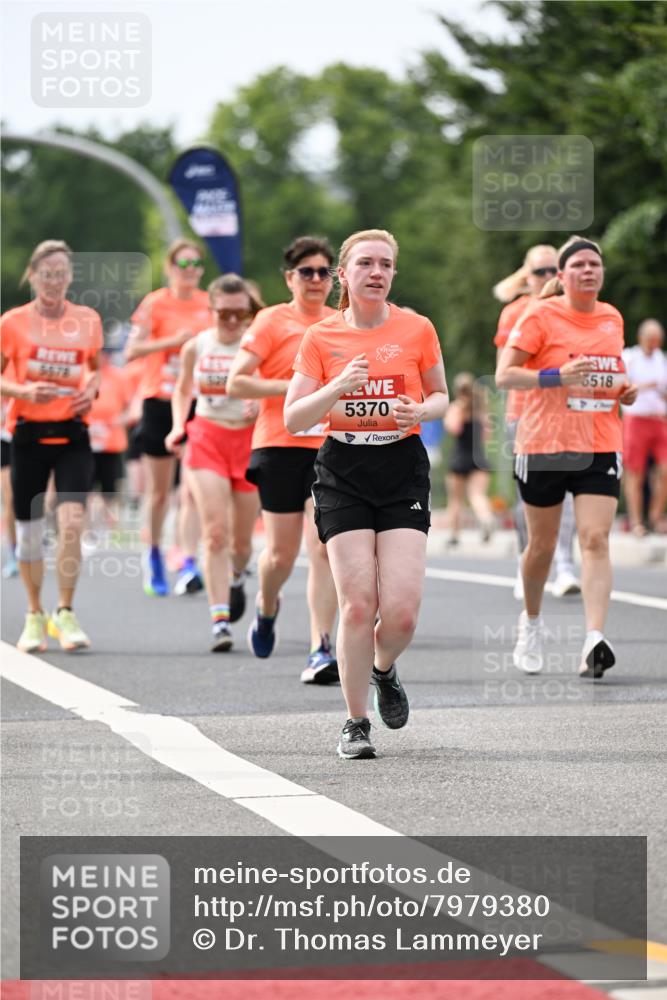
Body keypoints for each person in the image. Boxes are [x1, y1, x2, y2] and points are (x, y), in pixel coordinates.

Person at [285, 228, 448, 759]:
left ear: (393, 273)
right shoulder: (321, 338)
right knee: (359, 604)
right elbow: (294, 416)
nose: (375, 272)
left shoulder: (418, 328)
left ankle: (383, 670)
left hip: (401, 465)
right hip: (344, 468)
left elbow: (441, 395)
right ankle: (355, 722)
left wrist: (420, 411)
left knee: (400, 612)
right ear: (344, 275)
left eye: (385, 264)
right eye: (365, 264)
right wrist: (337, 387)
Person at [496, 236, 638, 679]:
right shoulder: (539, 315)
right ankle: (532, 623)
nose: (588, 270)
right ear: (562, 276)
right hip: (544, 444)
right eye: (578, 265)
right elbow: (505, 375)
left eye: (595, 264)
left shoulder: (612, 317)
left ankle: (594, 638)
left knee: (595, 539)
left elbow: (608, 374)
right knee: (540, 546)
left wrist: (623, 391)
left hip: (598, 440)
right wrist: (557, 375)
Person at [226, 236, 339, 683]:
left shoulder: (341, 324)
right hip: (278, 443)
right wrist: (293, 393)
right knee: (280, 554)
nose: (316, 280)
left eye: (324, 271)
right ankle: (266, 605)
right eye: (306, 272)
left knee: (324, 548)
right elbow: (237, 383)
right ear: (289, 278)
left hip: (329, 449)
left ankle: (320, 647)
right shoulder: (272, 320)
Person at [0, 240, 103, 652]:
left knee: (73, 522)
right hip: (27, 433)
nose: (54, 281)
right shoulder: (12, 322)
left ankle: (65, 611)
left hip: (73, 434)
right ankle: (33, 614)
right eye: (47, 274)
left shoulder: (87, 319)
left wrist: (90, 391)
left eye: (61, 273)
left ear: (70, 277)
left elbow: (94, 371)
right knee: (29, 534)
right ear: (33, 276)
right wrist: (24, 389)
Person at [165, 275, 263, 652]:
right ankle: (219, 619)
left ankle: (236, 576)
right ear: (212, 311)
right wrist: (177, 427)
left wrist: (261, 402)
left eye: (242, 313)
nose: (235, 321)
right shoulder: (197, 346)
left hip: (249, 441)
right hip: (206, 436)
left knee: (241, 541)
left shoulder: (257, 346)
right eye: (226, 314)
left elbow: (278, 384)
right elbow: (181, 389)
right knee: (215, 532)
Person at [494, 245, 581, 599]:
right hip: (526, 414)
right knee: (528, 496)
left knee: (571, 496)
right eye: (541, 271)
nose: (548, 278)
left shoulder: (573, 311)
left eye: (553, 271)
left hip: (570, 413)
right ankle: (525, 562)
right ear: (527, 276)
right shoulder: (514, 312)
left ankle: (563, 566)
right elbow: (503, 371)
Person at [126, 239, 210, 597]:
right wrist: (173, 341)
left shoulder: (210, 304)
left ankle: (188, 559)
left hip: (198, 402)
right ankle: (154, 553)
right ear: (170, 268)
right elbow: (131, 350)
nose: (189, 269)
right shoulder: (155, 303)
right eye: (182, 263)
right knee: (160, 492)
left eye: (195, 263)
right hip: (160, 400)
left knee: (192, 489)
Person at [621, 318, 667, 535]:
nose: (654, 345)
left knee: (664, 471)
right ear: (641, 338)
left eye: (657, 340)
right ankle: (636, 521)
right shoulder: (630, 357)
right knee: (635, 472)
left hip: (658, 419)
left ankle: (656, 516)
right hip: (636, 420)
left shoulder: (661, 359)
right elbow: (622, 387)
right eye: (650, 340)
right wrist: (646, 386)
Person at [444, 372, 494, 544]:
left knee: (456, 499)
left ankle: (455, 535)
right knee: (477, 495)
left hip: (459, 457)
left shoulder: (456, 408)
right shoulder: (480, 410)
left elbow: (453, 429)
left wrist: (459, 410)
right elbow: (487, 435)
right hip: (478, 456)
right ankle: (486, 519)